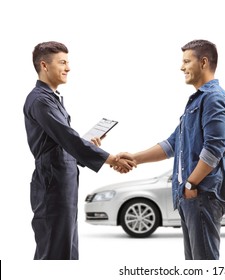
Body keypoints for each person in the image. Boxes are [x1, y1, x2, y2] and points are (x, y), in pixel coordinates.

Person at [118, 39, 225, 260]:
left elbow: (214, 148)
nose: (181, 67)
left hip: (201, 194)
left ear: (203, 62)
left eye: (186, 61)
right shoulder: (196, 101)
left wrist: (191, 183)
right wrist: (134, 158)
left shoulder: (213, 99)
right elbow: (172, 144)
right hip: (191, 197)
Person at [23, 41, 136, 260]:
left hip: (62, 184)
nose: (68, 68)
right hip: (53, 186)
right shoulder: (40, 101)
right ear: (44, 66)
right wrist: (111, 159)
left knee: (65, 248)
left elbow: (60, 143)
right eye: (62, 62)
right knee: (55, 252)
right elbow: (67, 138)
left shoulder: (52, 98)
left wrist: (88, 146)